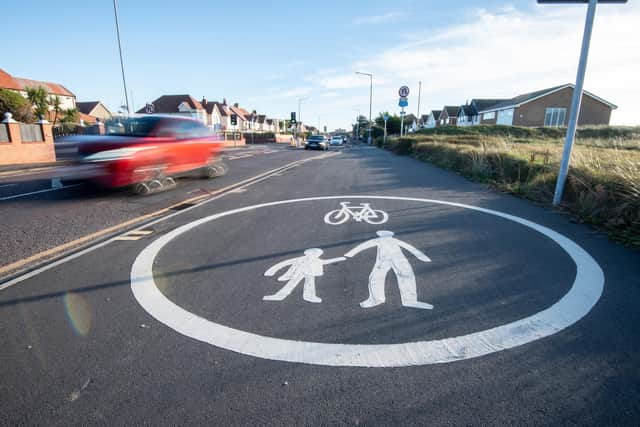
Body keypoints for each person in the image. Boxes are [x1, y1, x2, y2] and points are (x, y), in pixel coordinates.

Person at [345, 231, 433, 309]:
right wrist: (350, 254)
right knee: (379, 277)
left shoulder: (385, 240)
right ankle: (377, 299)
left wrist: (350, 254)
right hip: (388, 259)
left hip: (395, 259)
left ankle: (409, 301)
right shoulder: (382, 240)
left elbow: (408, 247)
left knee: (402, 275)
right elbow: (409, 247)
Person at [263, 248, 345, 303]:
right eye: (315, 253)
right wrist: (272, 271)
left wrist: (338, 259)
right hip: (299, 272)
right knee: (291, 284)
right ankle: (279, 295)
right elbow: (285, 263)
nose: (316, 255)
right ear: (308, 253)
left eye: (317, 254)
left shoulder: (317, 260)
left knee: (309, 285)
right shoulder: (301, 259)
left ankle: (309, 296)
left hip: (310, 273)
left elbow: (326, 261)